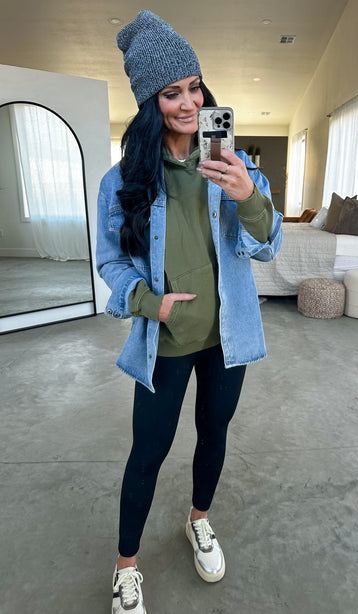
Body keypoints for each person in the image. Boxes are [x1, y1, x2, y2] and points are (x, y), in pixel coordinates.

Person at [96, 10, 283, 614]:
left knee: (214, 433)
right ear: (150, 103)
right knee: (147, 454)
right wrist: (150, 303)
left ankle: (199, 519)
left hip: (229, 337)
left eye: (195, 87)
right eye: (171, 92)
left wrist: (247, 195)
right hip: (167, 338)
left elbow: (269, 245)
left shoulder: (234, 164)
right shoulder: (123, 180)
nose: (188, 103)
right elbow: (110, 262)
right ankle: (126, 567)